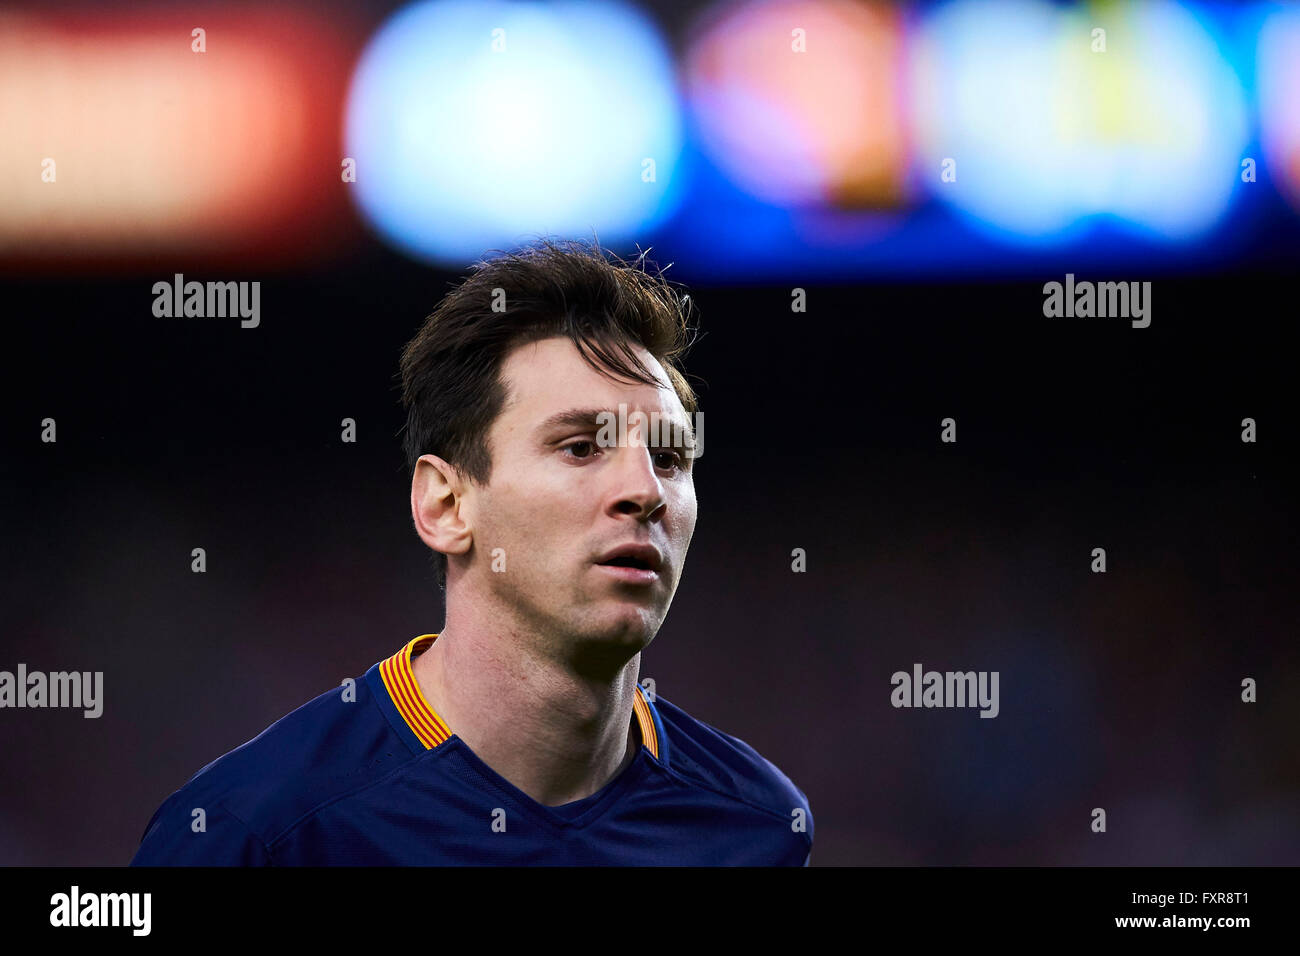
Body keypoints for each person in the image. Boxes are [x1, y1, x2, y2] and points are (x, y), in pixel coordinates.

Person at [130, 238, 813, 865]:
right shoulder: (255, 832)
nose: (644, 490)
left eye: (669, 457)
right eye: (580, 447)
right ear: (447, 506)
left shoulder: (752, 825)